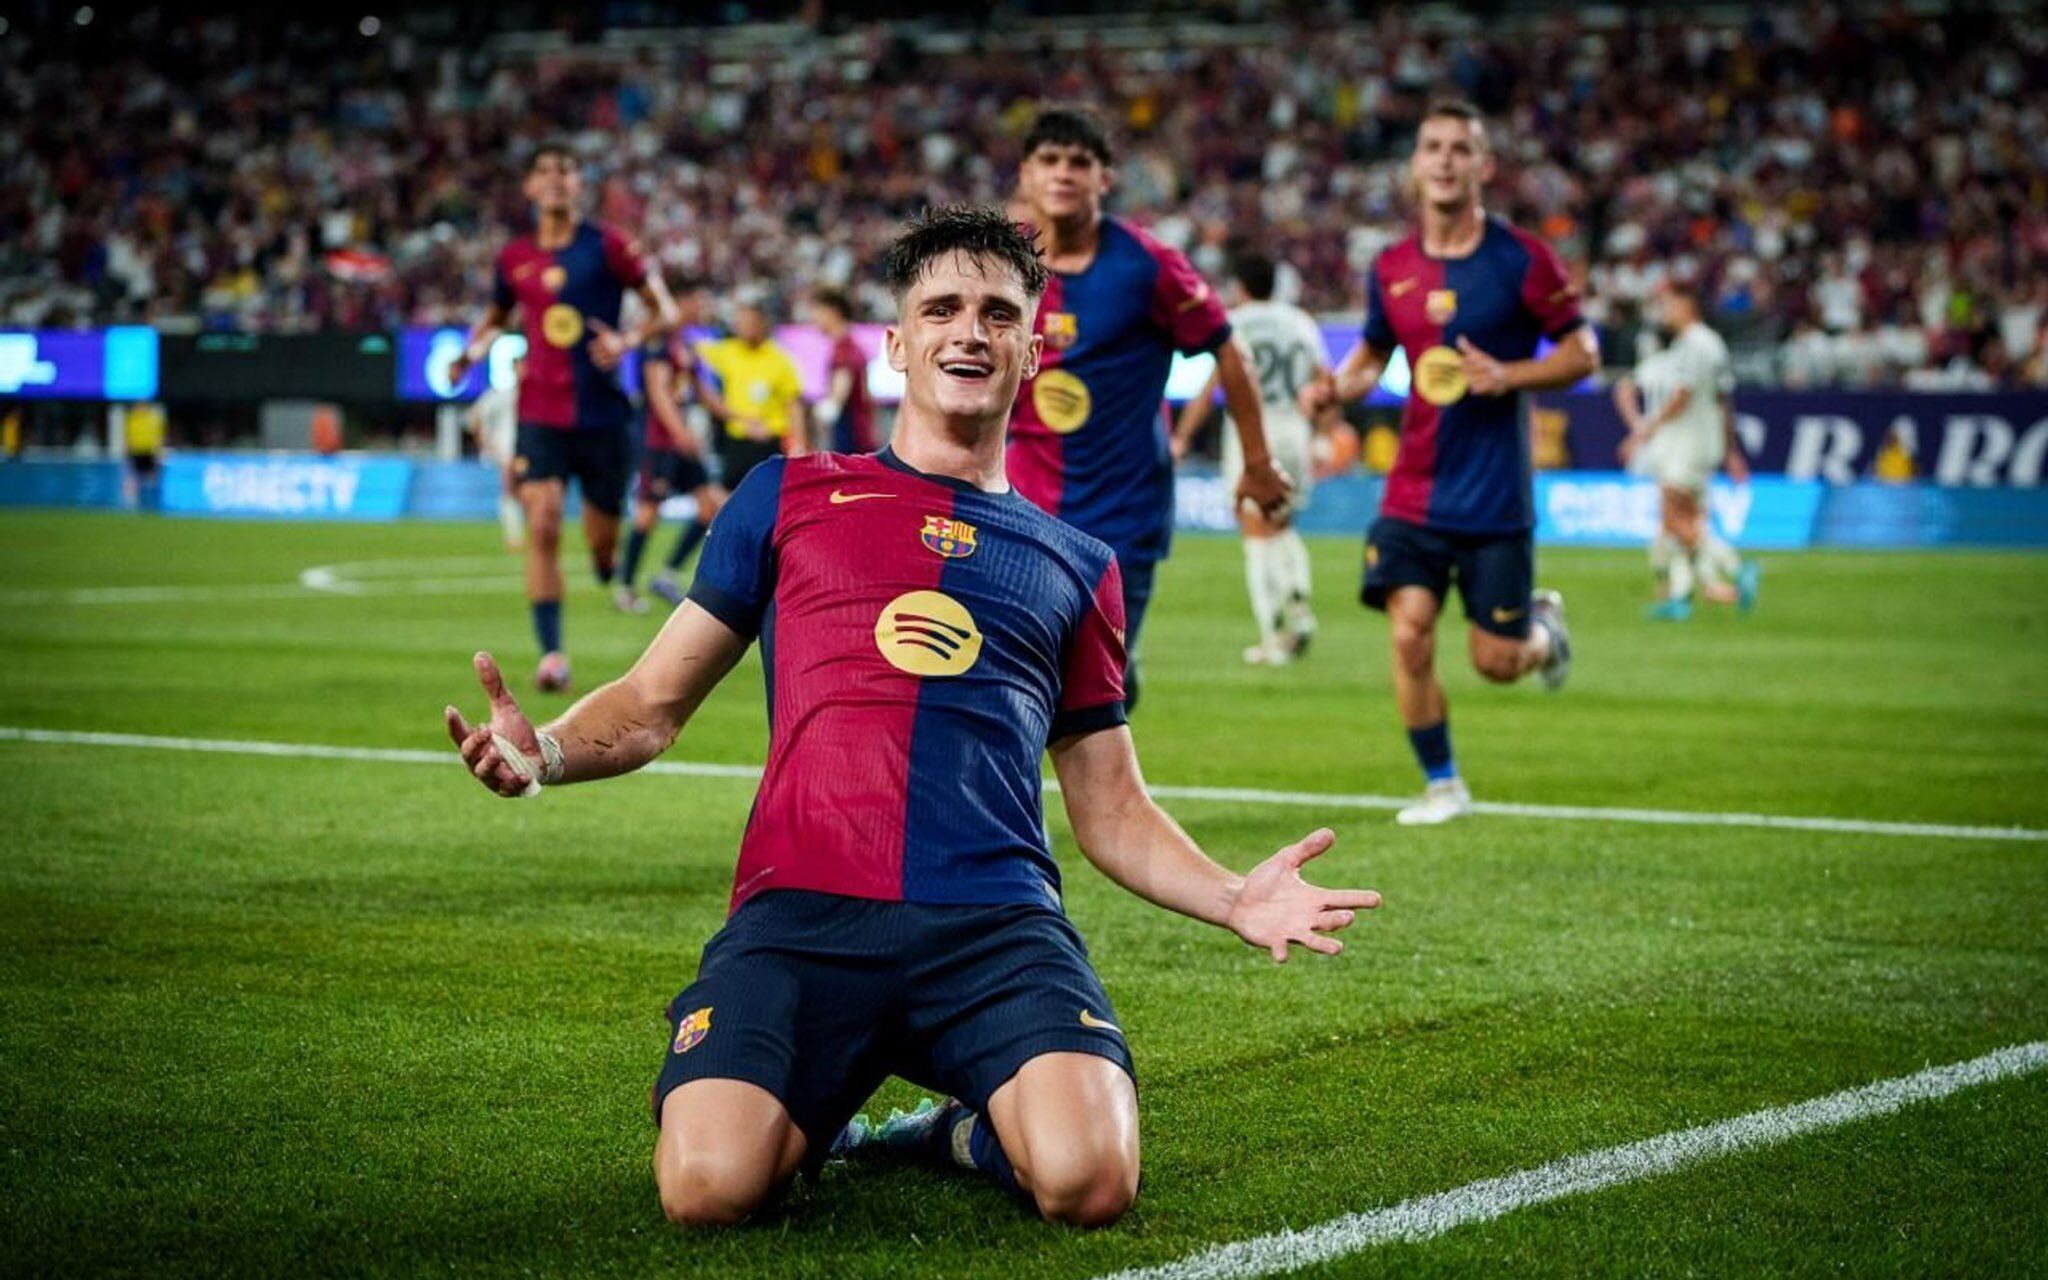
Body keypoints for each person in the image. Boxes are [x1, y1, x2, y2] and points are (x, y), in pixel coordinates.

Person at [443, 205, 1378, 1229]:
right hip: (802, 913)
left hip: (993, 923)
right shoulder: (786, 494)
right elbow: (651, 703)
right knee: (706, 1188)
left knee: (1089, 1180)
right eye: (939, 308)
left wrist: (1234, 895)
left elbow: (1108, 806)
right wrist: (549, 755)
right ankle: (818, 1096)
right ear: (897, 342)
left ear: (1031, 344)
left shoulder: (1078, 563)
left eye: (995, 312)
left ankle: (953, 1127)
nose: (967, 330)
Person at [1302, 100, 1596, 826]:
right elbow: (1373, 352)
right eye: (1431, 146)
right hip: (1414, 492)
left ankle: (1543, 631)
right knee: (1409, 630)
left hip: (1495, 496)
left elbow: (1582, 352)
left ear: (1483, 166)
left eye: (1459, 148)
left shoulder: (1523, 260)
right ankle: (1443, 783)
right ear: (1414, 165)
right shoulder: (1392, 266)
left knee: (1497, 663)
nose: (1442, 159)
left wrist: (1511, 376)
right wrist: (1337, 388)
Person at [1006, 107, 1292, 711]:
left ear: (1104, 179)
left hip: (1124, 509)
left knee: (1083, 689)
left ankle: (1115, 687)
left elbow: (1228, 352)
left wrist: (1258, 462)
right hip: (1025, 499)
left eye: (1078, 162)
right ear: (1025, 174)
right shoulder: (1003, 265)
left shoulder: (1149, 266)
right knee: (1022, 670)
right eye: (1049, 161)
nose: (1063, 174)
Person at [448, 141, 678, 693]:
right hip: (541, 415)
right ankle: (552, 654)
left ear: (580, 185)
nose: (554, 180)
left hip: (602, 418)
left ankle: (606, 561)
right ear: (529, 187)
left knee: (602, 541)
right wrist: (469, 352)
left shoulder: (609, 246)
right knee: (543, 520)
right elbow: (497, 315)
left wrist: (625, 340)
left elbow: (664, 310)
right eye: (544, 171)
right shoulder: (514, 257)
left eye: (565, 171)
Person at [1174, 249, 1329, 664]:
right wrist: (1329, 428)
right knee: (1281, 523)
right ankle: (1299, 602)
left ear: (1240, 287)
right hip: (1295, 430)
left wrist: (1183, 436)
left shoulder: (1235, 323)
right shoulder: (1301, 323)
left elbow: (1213, 389)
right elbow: (1324, 382)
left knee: (1255, 532)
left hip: (1252, 432)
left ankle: (1273, 636)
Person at [1615, 280, 1759, 620]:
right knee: (1687, 519)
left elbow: (1682, 396)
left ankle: (1736, 568)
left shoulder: (1696, 344)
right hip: (1701, 442)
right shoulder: (1704, 345)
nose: (1665, 312)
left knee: (1673, 517)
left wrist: (1643, 432)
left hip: (1686, 444)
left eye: (1670, 305)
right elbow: (1724, 401)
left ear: (1687, 306)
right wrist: (1730, 450)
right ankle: (1682, 594)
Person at [618, 327, 726, 614]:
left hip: (683, 442)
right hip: (660, 443)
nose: (700, 306)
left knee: (710, 508)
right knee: (647, 515)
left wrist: (738, 417)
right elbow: (658, 392)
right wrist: (680, 431)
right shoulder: (658, 347)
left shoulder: (688, 348)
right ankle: (625, 588)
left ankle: (666, 575)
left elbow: (703, 392)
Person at [695, 299, 810, 504]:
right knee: (727, 501)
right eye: (740, 321)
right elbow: (691, 359)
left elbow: (793, 405)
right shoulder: (727, 351)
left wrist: (799, 442)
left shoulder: (780, 360)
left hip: (769, 442)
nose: (743, 326)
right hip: (737, 441)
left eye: (749, 321)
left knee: (769, 502)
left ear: (762, 323)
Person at [467, 356, 525, 553]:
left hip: (534, 451)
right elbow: (475, 416)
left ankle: (523, 535)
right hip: (508, 451)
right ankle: (514, 536)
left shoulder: (538, 398)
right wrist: (487, 445)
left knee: (529, 494)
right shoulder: (501, 395)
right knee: (509, 489)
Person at [811, 287, 878, 454]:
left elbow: (837, 398)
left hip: (850, 436)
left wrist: (822, 413)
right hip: (861, 433)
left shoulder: (844, 350)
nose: (814, 319)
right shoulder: (852, 346)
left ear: (832, 312)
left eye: (818, 313)